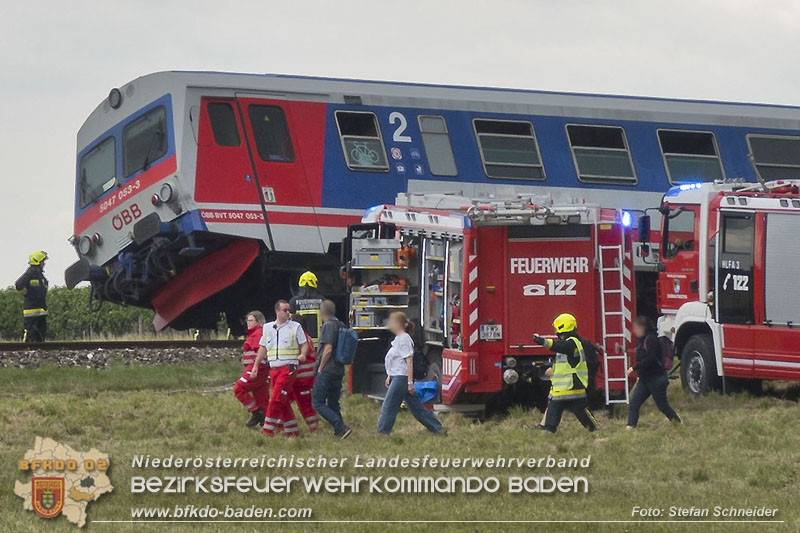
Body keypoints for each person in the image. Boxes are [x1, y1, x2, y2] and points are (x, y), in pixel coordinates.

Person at [377, 312, 444, 435]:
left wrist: (409, 382)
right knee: (417, 408)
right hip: (398, 377)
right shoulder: (397, 339)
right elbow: (396, 360)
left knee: (388, 405)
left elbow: (409, 361)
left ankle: (383, 432)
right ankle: (437, 429)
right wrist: (389, 375)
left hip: (401, 378)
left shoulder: (404, 339)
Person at [533, 313, 598, 433]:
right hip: (565, 389)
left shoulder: (571, 343)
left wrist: (540, 341)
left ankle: (594, 430)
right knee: (572, 411)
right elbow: (564, 365)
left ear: (561, 327)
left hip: (570, 387)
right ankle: (548, 430)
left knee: (565, 410)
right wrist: (552, 370)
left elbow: (556, 346)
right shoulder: (571, 343)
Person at [252, 300, 308, 437]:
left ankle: (267, 430)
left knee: (276, 398)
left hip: (289, 368)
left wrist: (302, 354)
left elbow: (304, 344)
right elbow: (263, 348)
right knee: (283, 400)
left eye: (289, 310)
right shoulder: (267, 328)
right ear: (277, 311)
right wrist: (256, 365)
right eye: (285, 310)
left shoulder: (295, 327)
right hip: (274, 369)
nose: (288, 313)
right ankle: (292, 431)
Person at [626, 316, 682, 429]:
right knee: (634, 403)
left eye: (636, 328)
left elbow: (650, 359)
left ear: (643, 328)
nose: (634, 331)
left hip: (656, 379)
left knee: (662, 405)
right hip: (644, 379)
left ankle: (677, 422)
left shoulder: (651, 340)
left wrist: (635, 367)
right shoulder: (641, 340)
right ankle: (630, 426)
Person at [311, 299, 352, 439]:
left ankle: (339, 426)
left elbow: (328, 349)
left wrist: (320, 367)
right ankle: (340, 431)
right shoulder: (340, 324)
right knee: (333, 402)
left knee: (317, 402)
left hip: (328, 369)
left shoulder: (328, 326)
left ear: (321, 312)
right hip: (338, 369)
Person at [233, 311, 270, 428]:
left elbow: (260, 351)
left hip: (256, 369)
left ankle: (257, 413)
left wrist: (255, 367)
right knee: (262, 399)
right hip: (258, 369)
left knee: (238, 389)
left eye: (251, 320)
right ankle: (267, 424)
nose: (248, 323)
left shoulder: (258, 334)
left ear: (258, 321)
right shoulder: (255, 334)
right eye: (247, 320)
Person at [290, 314, 319, 432]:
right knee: (283, 401)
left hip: (301, 379)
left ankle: (314, 428)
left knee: (304, 405)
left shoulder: (298, 339)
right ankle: (281, 425)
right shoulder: (307, 337)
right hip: (307, 377)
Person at [15, 251, 49, 343]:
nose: (44, 264)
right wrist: (26, 294)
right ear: (37, 261)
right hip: (31, 311)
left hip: (41, 311)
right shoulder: (30, 273)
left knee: (40, 338)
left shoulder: (40, 275)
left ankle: (38, 351)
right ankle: (25, 350)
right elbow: (18, 285)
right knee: (30, 336)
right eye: (42, 261)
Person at [289, 271, 325, 343]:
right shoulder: (322, 300)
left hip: (301, 343)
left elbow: (290, 323)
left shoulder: (293, 301)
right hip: (319, 343)